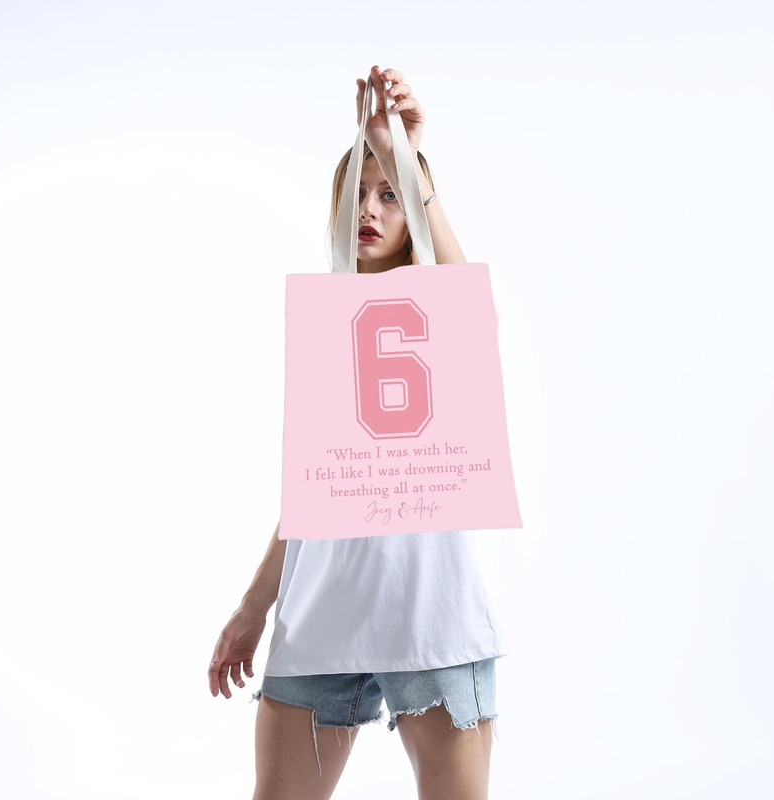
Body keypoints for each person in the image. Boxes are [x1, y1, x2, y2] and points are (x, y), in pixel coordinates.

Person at [208, 65, 507, 800]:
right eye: (359, 192)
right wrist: (254, 605)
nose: (370, 209)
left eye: (389, 195)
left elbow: (471, 311)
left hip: (431, 618)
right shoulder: (326, 327)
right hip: (321, 615)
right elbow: (315, 492)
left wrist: (408, 160)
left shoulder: (438, 317)